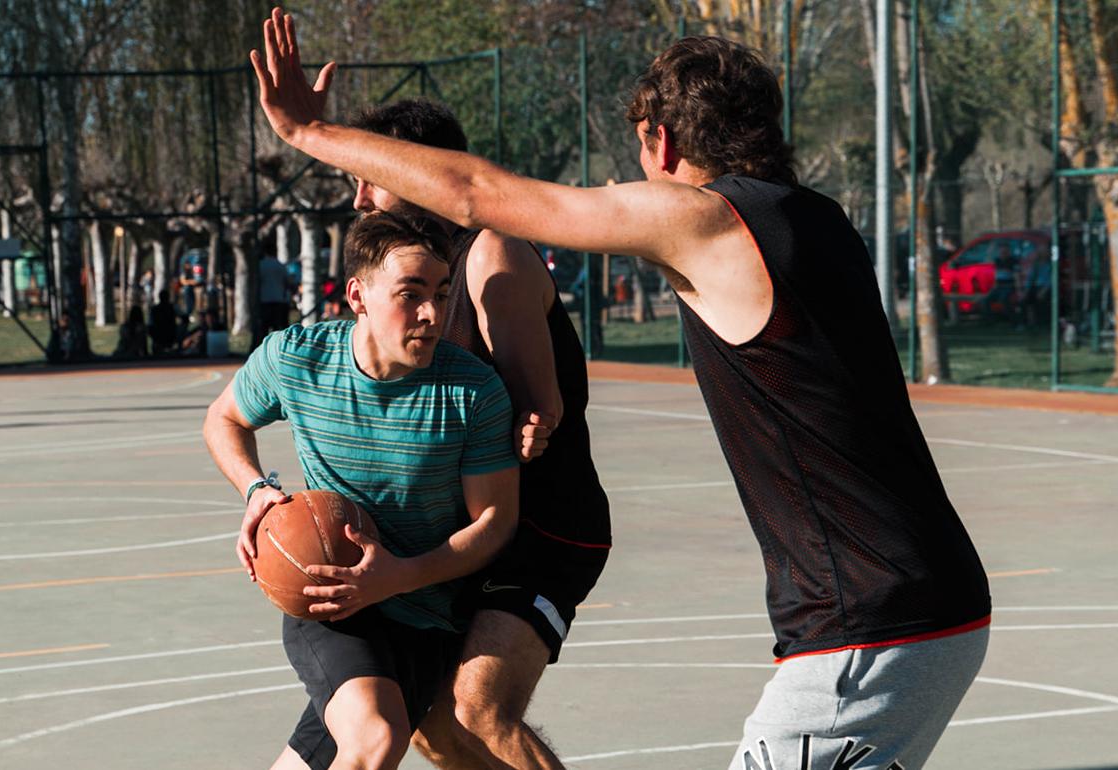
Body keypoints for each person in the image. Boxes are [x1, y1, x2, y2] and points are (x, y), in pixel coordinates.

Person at [251, 11, 991, 770]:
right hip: (913, 599)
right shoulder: (817, 219)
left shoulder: (712, 223)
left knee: (471, 715)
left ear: (662, 141)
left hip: (868, 621)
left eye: (640, 149)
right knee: (446, 722)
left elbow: (475, 192)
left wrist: (310, 131)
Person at [203, 210, 519, 770]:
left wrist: (398, 575)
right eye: (410, 294)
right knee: (374, 738)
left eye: (442, 295)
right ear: (358, 295)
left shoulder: (473, 391)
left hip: (425, 611)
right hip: (330, 602)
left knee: (321, 755)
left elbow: (493, 521)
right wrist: (256, 489)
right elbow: (224, 419)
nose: (431, 314)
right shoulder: (296, 358)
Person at [348, 99, 611, 770]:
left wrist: (530, 423)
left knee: (482, 707)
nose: (358, 197)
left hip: (545, 527)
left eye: (369, 174)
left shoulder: (491, 254)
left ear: (416, 171)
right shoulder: (412, 278)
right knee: (433, 728)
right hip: (473, 527)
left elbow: (537, 411)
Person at [260, 247, 292, 334]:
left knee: (264, 328)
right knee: (278, 329)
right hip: (279, 300)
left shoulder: (261, 265)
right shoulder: (280, 266)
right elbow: (288, 283)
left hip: (264, 300)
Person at [148, 288, 179, 355]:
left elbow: (150, 324)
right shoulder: (171, 307)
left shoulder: (171, 307)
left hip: (169, 335)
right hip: (161, 336)